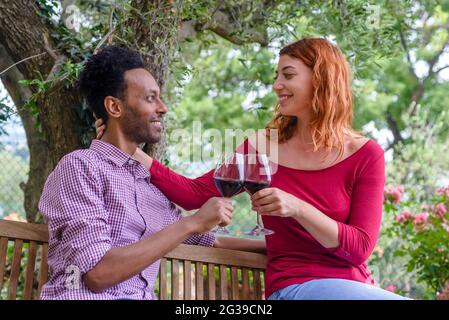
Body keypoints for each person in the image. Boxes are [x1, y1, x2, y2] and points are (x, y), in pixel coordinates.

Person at [96, 38, 409, 300]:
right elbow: (194, 195)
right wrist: (132, 151)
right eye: (277, 75)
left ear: (321, 79)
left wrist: (298, 208)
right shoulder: (261, 148)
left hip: (354, 288)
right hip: (294, 287)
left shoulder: (367, 154)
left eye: (288, 75)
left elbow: (359, 249)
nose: (277, 85)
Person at [38, 45, 265, 300]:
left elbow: (210, 241)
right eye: (150, 98)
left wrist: (278, 247)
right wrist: (192, 222)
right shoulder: (80, 168)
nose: (163, 107)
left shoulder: (150, 188)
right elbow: (98, 273)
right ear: (114, 107)